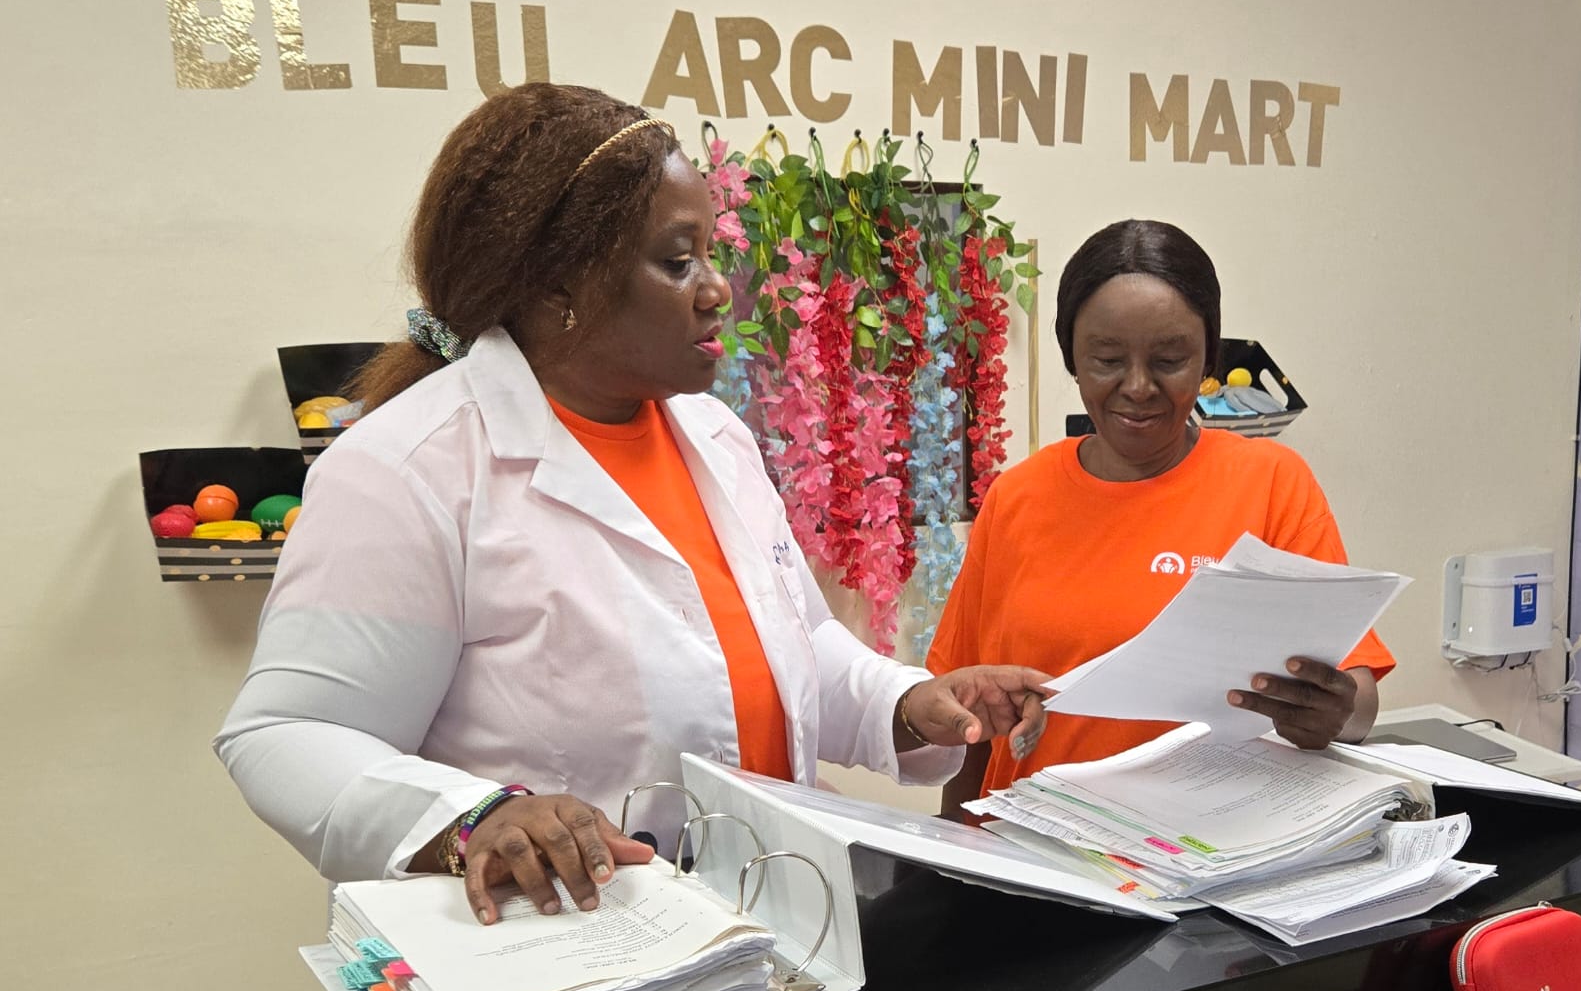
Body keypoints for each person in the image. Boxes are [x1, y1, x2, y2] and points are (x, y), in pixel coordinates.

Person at [217, 82, 1047, 924]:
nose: (717, 289)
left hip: (767, 928)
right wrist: (475, 817)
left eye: (711, 253)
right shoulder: (407, 471)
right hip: (564, 956)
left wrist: (909, 705)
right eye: (678, 261)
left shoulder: (715, 437)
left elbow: (796, 650)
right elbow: (284, 733)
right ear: (557, 290)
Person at [932, 218, 1393, 812]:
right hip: (1034, 846)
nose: (1139, 387)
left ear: (1208, 357)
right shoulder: (1017, 497)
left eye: (1170, 359)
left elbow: (1358, 700)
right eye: (1107, 359)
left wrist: (1332, 713)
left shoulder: (1271, 483)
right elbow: (969, 719)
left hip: (1210, 846)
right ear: (1072, 357)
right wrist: (948, 854)